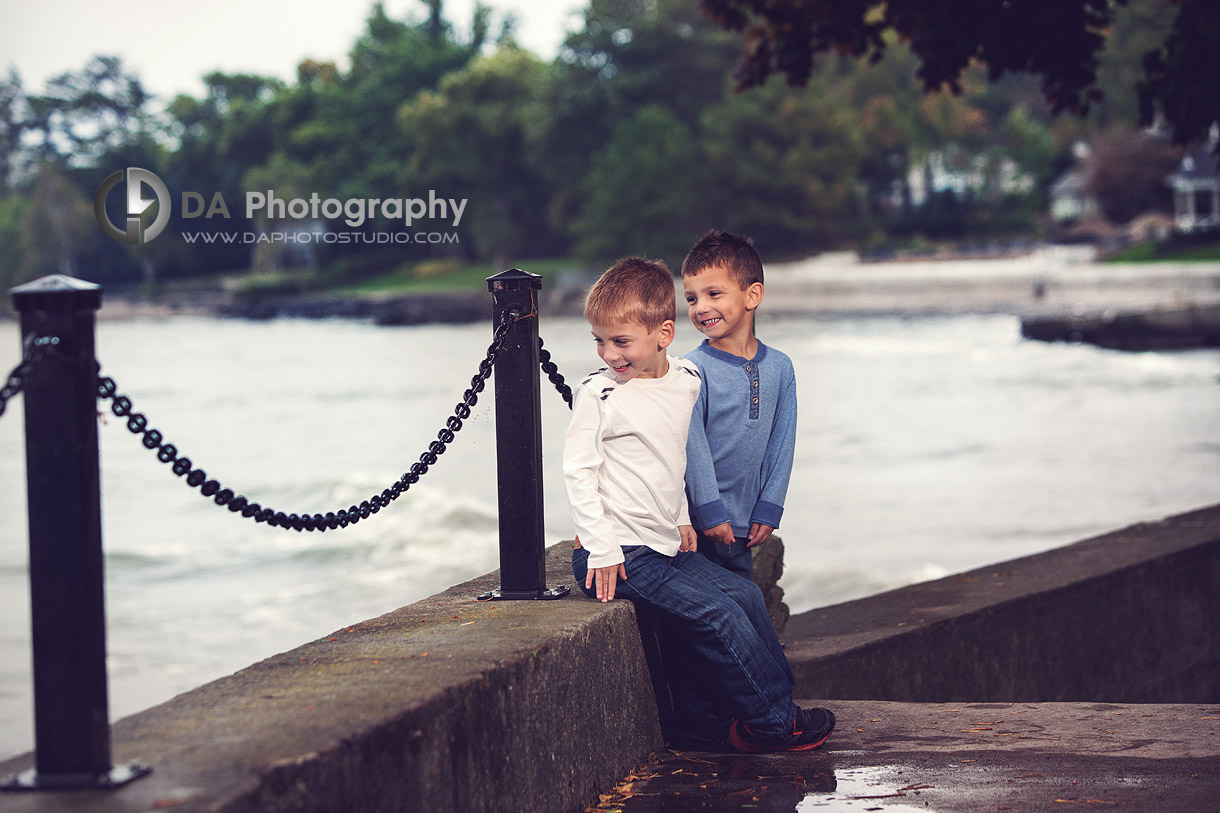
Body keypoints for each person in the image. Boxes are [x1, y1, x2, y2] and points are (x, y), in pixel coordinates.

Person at [564, 256, 834, 753]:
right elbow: (579, 472)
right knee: (718, 614)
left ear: (664, 333)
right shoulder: (599, 394)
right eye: (600, 341)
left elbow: (670, 461)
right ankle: (775, 726)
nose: (609, 354)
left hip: (663, 545)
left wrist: (684, 519)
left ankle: (775, 708)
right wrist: (600, 547)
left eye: (621, 342)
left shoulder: (686, 379)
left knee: (747, 597)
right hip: (621, 556)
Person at [682, 230, 797, 580]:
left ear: (753, 295)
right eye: (691, 298)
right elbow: (692, 446)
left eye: (713, 293)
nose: (701, 307)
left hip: (745, 526)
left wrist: (770, 506)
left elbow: (783, 440)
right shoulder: (691, 369)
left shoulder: (780, 367)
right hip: (697, 527)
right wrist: (709, 511)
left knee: (742, 603)